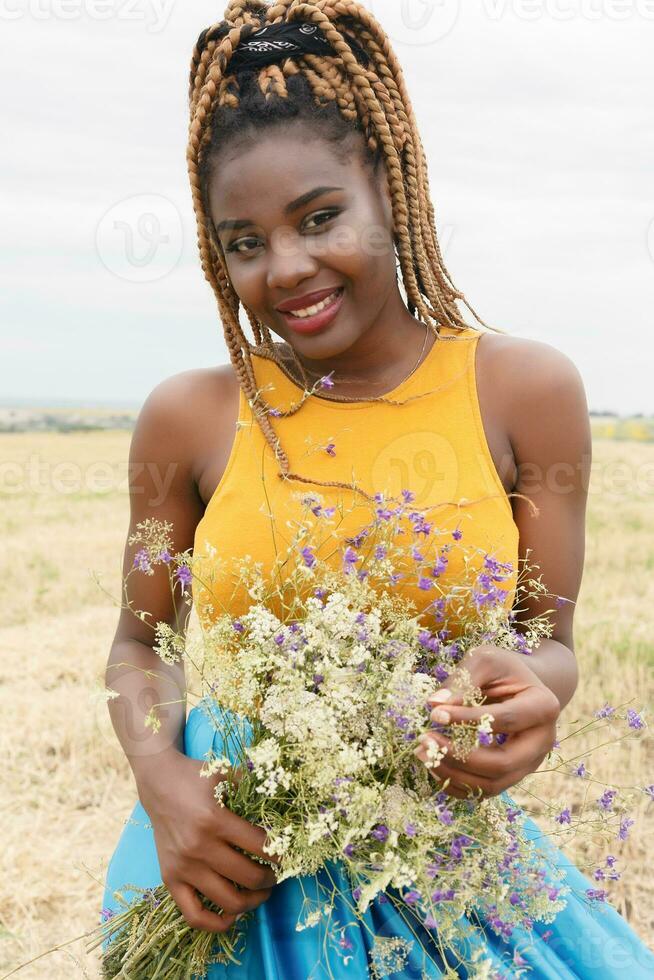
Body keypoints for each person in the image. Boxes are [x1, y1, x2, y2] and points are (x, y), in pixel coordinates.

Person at [101, 2, 654, 976]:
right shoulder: (188, 417)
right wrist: (162, 780)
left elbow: (551, 644)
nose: (287, 268)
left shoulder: (526, 392)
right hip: (229, 881)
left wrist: (529, 696)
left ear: (391, 190)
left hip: (440, 868)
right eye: (243, 240)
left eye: (320, 217)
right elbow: (142, 644)